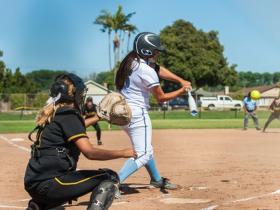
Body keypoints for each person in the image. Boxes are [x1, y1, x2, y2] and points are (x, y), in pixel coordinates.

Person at [24, 73, 136, 210]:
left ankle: (40, 206)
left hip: (35, 183)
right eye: (81, 93)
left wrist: (99, 116)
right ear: (74, 95)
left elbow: (76, 125)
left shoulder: (56, 113)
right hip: (52, 183)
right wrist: (123, 152)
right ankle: (45, 203)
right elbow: (90, 153)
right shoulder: (69, 114)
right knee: (109, 177)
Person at [114, 32, 191, 196]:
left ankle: (156, 178)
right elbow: (161, 98)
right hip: (137, 114)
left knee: (145, 148)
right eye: (155, 50)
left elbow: (158, 69)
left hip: (123, 113)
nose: (157, 53)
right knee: (143, 153)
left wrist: (179, 80)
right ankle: (113, 182)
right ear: (147, 51)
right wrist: (182, 89)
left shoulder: (131, 62)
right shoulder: (145, 70)